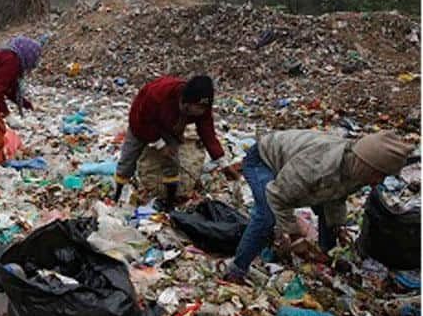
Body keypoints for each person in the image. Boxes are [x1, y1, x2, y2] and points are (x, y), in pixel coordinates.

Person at [224, 130, 414, 283]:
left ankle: (324, 257)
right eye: (378, 174)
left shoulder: (356, 170)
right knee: (267, 214)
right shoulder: (318, 166)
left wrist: (337, 226)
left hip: (293, 167)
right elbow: (277, 196)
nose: (377, 183)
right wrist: (296, 237)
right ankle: (236, 270)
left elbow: (336, 198)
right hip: (263, 159)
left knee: (328, 216)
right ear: (366, 165)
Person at [113, 75, 239, 208]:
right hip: (142, 121)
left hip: (171, 125)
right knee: (128, 158)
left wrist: (223, 164)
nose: (199, 113)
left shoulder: (202, 110)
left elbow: (208, 134)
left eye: (202, 109)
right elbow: (141, 121)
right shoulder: (158, 94)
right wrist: (160, 145)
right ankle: (117, 194)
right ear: (186, 102)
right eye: (196, 108)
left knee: (172, 161)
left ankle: (170, 201)